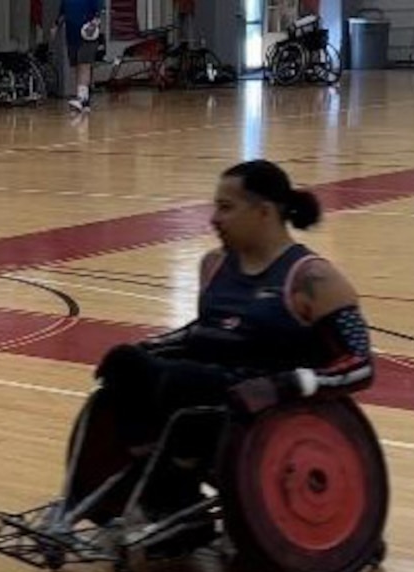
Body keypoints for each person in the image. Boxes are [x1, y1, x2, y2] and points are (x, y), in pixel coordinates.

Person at [92, 160, 375, 535]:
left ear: (263, 212)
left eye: (226, 208)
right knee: (124, 366)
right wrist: (148, 348)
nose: (214, 219)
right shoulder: (213, 265)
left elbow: (361, 366)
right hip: (207, 390)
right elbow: (205, 333)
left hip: (262, 406)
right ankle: (152, 488)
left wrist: (290, 384)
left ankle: (174, 494)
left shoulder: (312, 278)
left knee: (182, 382)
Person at [51, 0, 102, 112]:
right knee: (77, 65)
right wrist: (55, 26)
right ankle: (84, 99)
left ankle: (82, 98)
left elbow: (98, 12)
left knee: (84, 63)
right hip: (72, 33)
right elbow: (62, 12)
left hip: (87, 33)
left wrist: (93, 24)